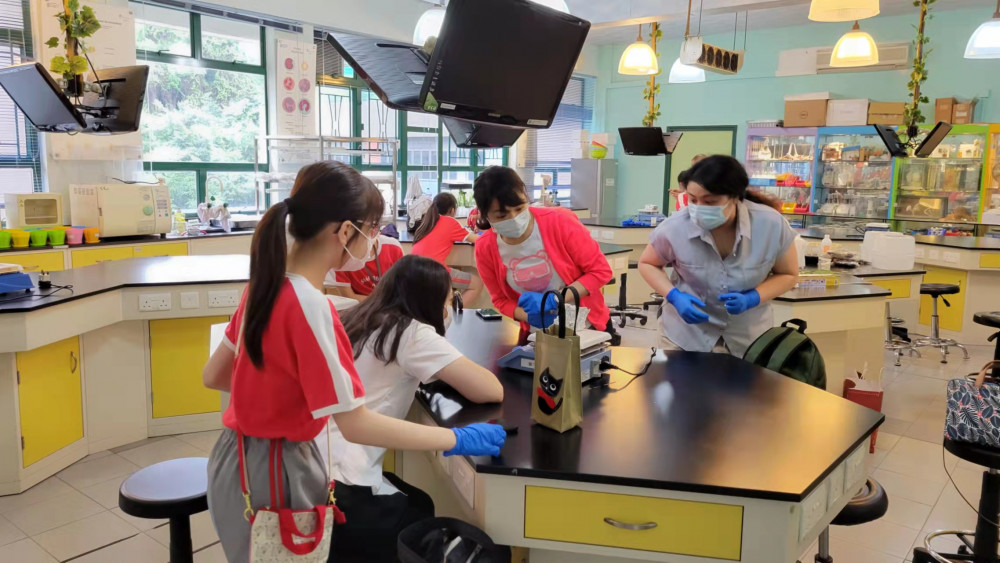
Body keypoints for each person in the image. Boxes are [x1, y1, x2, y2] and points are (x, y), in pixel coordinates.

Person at [201, 161, 506, 562]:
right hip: (279, 468)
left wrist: (285, 394)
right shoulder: (311, 305)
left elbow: (216, 375)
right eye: (373, 228)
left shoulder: (265, 286)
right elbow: (356, 424)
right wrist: (456, 439)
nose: (375, 240)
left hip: (233, 460)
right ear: (345, 231)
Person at [329, 254, 504, 561]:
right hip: (344, 486)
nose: (448, 309)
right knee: (419, 516)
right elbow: (491, 390)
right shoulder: (410, 332)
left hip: (312, 471)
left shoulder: (357, 317)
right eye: (448, 300)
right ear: (429, 300)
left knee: (419, 500)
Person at [638, 155, 799, 356]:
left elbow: (788, 274)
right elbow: (648, 263)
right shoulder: (675, 227)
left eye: (710, 201)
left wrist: (753, 298)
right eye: (692, 200)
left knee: (744, 378)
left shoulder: (770, 224)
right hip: (686, 336)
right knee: (682, 377)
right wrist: (674, 296)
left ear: (735, 197)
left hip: (748, 338)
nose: (698, 208)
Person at [472, 166, 613, 336]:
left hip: (587, 329)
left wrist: (555, 299)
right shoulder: (485, 248)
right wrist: (529, 316)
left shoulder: (559, 221)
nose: (514, 218)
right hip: (536, 335)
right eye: (502, 216)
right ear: (485, 215)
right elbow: (500, 300)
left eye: (519, 208)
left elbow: (600, 272)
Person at [412, 192, 483, 305]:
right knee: (477, 284)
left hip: (414, 271)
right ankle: (452, 312)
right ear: (452, 210)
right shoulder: (449, 221)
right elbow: (477, 240)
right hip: (434, 272)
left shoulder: (427, 222)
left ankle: (448, 309)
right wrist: (489, 234)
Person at [324, 234, 403, 302]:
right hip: (360, 308)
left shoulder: (393, 247)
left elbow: (402, 290)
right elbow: (349, 297)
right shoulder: (339, 258)